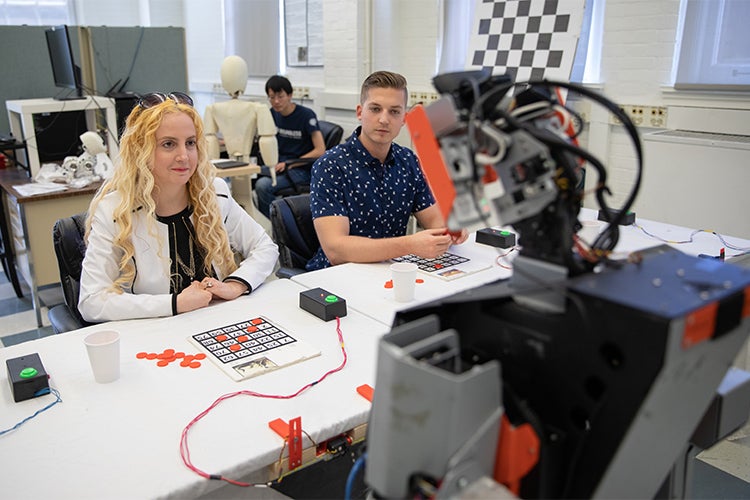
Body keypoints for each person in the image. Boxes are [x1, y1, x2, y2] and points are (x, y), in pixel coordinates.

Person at [78, 92, 279, 323]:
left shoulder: (214, 193)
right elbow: (91, 301)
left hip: (219, 322)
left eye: (190, 143)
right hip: (156, 332)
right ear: (141, 149)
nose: (184, 156)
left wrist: (236, 284)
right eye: (168, 144)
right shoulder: (114, 211)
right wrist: (175, 303)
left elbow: (265, 248)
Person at [306, 70, 467, 271]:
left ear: (404, 119)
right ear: (360, 112)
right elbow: (336, 250)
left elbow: (433, 218)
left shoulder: (407, 160)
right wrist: (409, 245)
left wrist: (449, 227)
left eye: (394, 111)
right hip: (337, 276)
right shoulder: (330, 166)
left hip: (392, 270)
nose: (384, 119)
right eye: (375, 109)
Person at [255, 75, 326, 219]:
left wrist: (289, 163)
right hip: (278, 165)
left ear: (290, 95)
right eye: (272, 97)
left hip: (300, 169)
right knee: (247, 178)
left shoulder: (306, 115)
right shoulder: (271, 114)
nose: (276, 101)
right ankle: (262, 221)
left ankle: (277, 225)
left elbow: (320, 150)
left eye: (280, 96)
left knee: (262, 185)